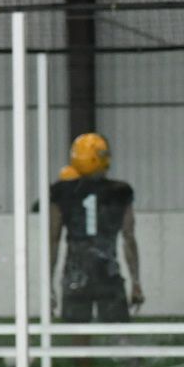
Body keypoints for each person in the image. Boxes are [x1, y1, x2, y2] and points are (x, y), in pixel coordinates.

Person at [50, 133, 144, 323]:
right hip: (107, 271)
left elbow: (53, 238)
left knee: (78, 339)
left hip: (75, 273)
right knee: (119, 336)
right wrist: (135, 281)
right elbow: (129, 237)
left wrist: (48, 282)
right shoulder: (120, 192)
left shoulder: (62, 191)